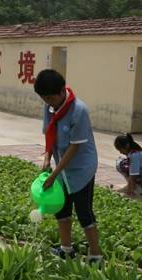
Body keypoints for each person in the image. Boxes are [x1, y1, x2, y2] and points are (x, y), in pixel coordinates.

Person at [34, 69, 102, 264]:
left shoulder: (79, 111)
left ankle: (96, 256)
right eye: (44, 98)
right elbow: (49, 135)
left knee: (84, 212)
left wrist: (54, 174)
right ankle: (66, 249)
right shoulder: (49, 108)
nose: (48, 102)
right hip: (61, 168)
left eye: (50, 97)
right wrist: (47, 159)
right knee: (61, 208)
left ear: (62, 91)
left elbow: (74, 148)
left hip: (81, 168)